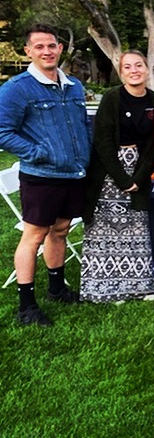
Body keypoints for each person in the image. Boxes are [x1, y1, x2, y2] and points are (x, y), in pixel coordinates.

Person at [0, 24, 91, 326]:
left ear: (60, 48)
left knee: (61, 230)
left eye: (51, 45)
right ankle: (26, 306)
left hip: (73, 174)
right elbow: (3, 131)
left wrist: (85, 152)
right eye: (39, 47)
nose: (47, 51)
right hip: (41, 176)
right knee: (34, 236)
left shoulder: (73, 85)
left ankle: (56, 289)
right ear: (28, 51)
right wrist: (38, 152)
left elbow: (82, 124)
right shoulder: (17, 89)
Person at [81, 50, 154, 303]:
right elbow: (102, 141)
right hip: (108, 173)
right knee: (105, 231)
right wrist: (122, 179)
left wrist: (139, 177)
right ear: (121, 72)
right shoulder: (111, 98)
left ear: (147, 69)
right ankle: (104, 289)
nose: (134, 70)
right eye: (127, 67)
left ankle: (138, 287)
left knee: (136, 230)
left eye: (138, 65)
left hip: (140, 171)